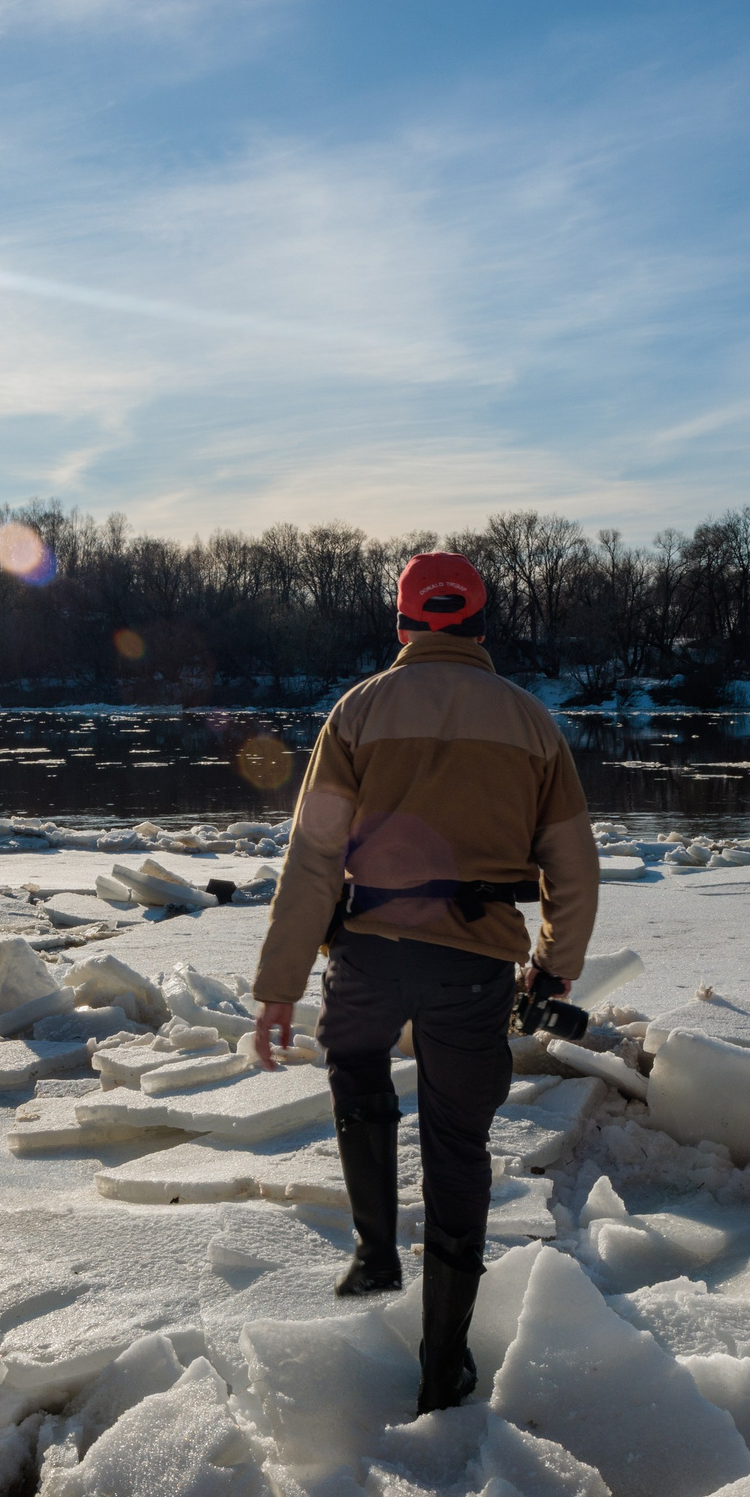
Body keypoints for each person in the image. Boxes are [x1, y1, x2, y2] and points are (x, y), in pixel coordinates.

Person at [250, 551, 600, 1414]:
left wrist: (281, 982)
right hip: (475, 966)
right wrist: (552, 966)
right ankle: (443, 1362)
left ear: (404, 622)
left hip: (368, 953)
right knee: (457, 1144)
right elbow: (575, 869)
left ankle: (374, 1255)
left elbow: (313, 859)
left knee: (356, 1067)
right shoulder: (530, 724)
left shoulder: (358, 712)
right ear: (479, 623)